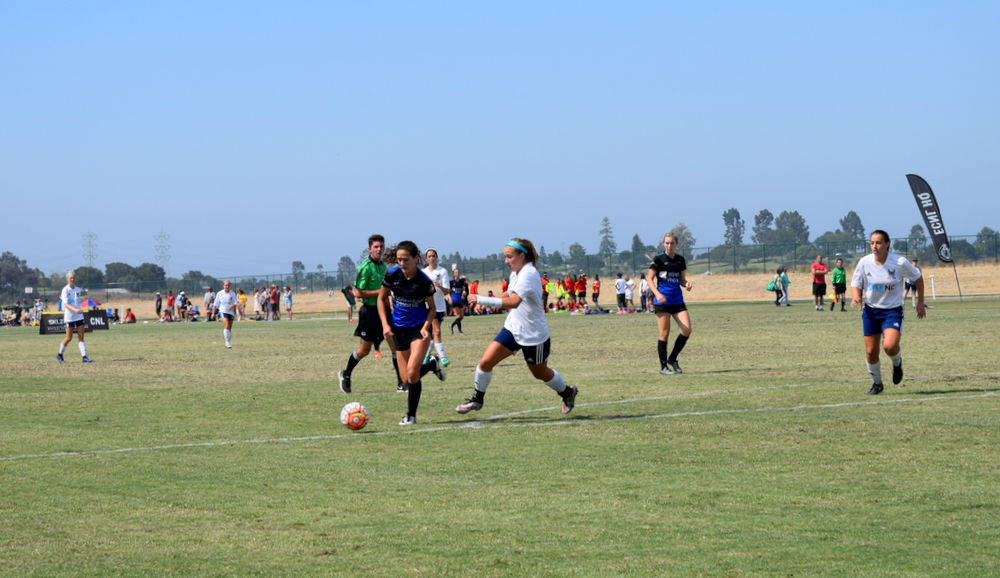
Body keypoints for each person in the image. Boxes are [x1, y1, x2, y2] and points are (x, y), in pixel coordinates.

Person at [456, 238, 578, 416]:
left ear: (522, 255)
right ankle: (477, 399)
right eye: (505, 257)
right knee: (485, 362)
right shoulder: (516, 273)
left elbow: (513, 302)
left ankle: (568, 392)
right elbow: (510, 292)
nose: (506, 261)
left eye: (509, 257)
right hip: (513, 329)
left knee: (540, 373)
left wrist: (482, 300)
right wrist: (488, 302)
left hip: (533, 335)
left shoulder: (529, 273)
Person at [378, 241, 446, 426]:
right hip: (399, 330)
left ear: (416, 259)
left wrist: (426, 327)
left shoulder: (424, 281)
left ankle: (411, 415)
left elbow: (431, 309)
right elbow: (381, 298)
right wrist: (385, 325)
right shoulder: (392, 276)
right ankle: (432, 365)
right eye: (399, 259)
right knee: (406, 379)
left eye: (406, 259)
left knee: (412, 370)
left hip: (419, 330)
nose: (402, 263)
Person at [850, 230, 925, 395]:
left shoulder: (899, 262)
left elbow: (918, 277)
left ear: (887, 244)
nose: (874, 246)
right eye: (872, 243)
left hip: (893, 311)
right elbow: (856, 282)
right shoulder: (864, 262)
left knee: (889, 346)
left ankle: (897, 363)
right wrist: (856, 296)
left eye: (878, 243)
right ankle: (877, 384)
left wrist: (920, 302)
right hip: (871, 311)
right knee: (871, 352)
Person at [339, 235, 390, 395]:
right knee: (364, 350)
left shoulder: (383, 266)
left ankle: (403, 383)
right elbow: (358, 293)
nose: (379, 249)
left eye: (381, 246)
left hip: (384, 309)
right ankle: (346, 373)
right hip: (369, 312)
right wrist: (381, 292)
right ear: (370, 249)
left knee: (395, 341)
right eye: (376, 247)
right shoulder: (365, 267)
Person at [647, 232, 693, 375]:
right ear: (663, 244)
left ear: (676, 244)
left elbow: (682, 280)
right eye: (667, 243)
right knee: (664, 334)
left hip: (677, 301)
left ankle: (672, 358)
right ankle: (663, 367)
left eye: (672, 243)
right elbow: (649, 279)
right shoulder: (658, 259)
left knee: (687, 330)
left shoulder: (680, 260)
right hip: (663, 302)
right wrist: (658, 294)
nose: (669, 245)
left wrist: (687, 284)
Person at [422, 247, 451, 367]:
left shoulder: (442, 271)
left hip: (440, 306)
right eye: (429, 256)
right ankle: (443, 358)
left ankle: (427, 355)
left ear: (436, 257)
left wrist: (439, 286)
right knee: (437, 331)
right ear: (426, 259)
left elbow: (447, 289)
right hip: (429, 306)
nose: (432, 258)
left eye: (433, 256)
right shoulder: (423, 272)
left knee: (434, 334)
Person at [58, 271, 93, 363]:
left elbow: (76, 302)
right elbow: (65, 304)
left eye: (74, 277)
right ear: (67, 279)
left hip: (79, 315)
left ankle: (84, 357)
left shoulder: (78, 289)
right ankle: (60, 354)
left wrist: (78, 309)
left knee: (81, 336)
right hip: (69, 316)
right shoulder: (65, 290)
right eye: (71, 278)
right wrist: (75, 309)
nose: (72, 279)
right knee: (69, 337)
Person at [216, 279, 238, 348]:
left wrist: (232, 305)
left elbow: (236, 303)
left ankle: (227, 342)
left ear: (230, 286)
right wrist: (213, 312)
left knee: (229, 328)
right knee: (227, 325)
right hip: (223, 311)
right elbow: (215, 303)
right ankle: (227, 343)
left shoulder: (232, 294)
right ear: (223, 286)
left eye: (228, 285)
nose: (227, 286)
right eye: (226, 285)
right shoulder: (219, 293)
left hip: (230, 312)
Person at [448, 268, 468, 336]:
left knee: (462, 317)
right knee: (458, 316)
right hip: (454, 300)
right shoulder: (451, 282)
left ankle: (452, 325)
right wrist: (450, 298)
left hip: (460, 300)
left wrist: (464, 291)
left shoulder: (461, 281)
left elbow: (463, 288)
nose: (457, 273)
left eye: (458, 272)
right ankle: (460, 332)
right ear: (454, 274)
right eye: (456, 272)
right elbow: (448, 291)